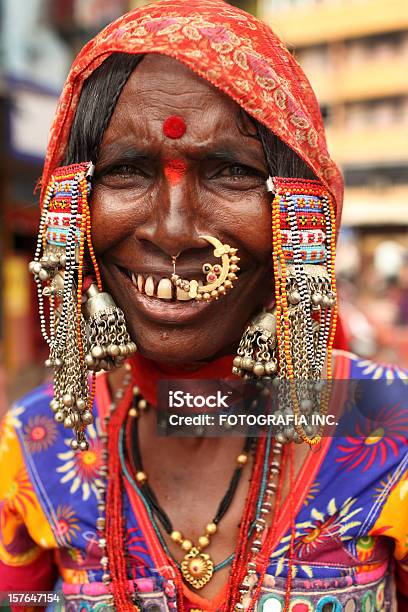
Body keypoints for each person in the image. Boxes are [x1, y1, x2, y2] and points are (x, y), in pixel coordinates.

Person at [0, 1, 407, 610]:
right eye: (126, 172)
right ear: (69, 208)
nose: (172, 231)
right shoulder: (34, 449)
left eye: (228, 172)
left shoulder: (392, 431)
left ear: (302, 214)